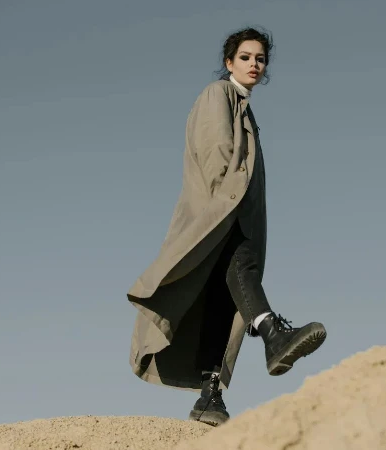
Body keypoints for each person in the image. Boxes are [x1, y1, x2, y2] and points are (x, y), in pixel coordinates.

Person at [125, 26, 327, 427]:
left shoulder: (246, 110)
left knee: (222, 304)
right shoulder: (217, 95)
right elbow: (216, 151)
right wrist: (226, 209)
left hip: (237, 217)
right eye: (247, 57)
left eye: (261, 59)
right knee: (240, 275)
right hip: (218, 213)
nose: (255, 64)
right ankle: (274, 336)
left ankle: (209, 398)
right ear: (229, 62)